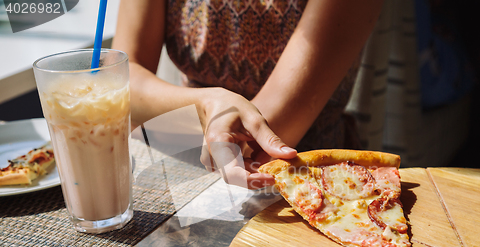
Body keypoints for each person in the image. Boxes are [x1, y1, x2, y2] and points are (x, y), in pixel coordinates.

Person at [112, 0, 384, 189]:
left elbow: (260, 135)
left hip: (299, 183)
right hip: (171, 171)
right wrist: (207, 105)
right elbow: (121, 83)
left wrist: (160, 111)